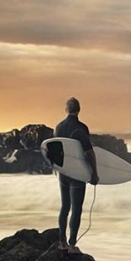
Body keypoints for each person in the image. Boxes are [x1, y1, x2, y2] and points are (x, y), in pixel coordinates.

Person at [55, 97, 98, 252]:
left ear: (66, 109)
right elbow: (89, 152)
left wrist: (58, 169)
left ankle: (61, 242)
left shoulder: (58, 127)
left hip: (64, 172)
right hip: (77, 174)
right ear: (79, 110)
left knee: (65, 206)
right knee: (76, 208)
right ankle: (72, 245)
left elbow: (55, 151)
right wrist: (94, 173)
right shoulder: (81, 128)